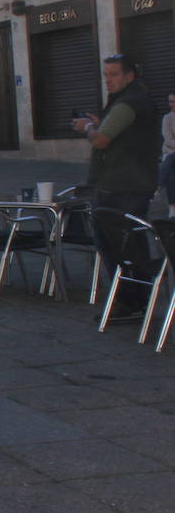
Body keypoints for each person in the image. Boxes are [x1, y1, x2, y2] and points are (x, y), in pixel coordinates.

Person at [72, 55, 160, 321]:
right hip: (134, 183)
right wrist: (100, 124)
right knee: (130, 243)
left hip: (119, 186)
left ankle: (128, 301)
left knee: (115, 246)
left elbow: (100, 141)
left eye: (113, 75)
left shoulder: (127, 104)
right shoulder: (135, 100)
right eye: (106, 75)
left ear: (129, 75)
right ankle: (137, 299)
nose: (108, 80)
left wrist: (87, 127)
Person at [161, 92, 175, 218]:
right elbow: (168, 140)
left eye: (174, 101)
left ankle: (158, 184)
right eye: (170, 101)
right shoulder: (167, 118)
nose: (172, 104)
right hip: (171, 152)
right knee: (171, 175)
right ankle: (172, 207)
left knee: (169, 164)